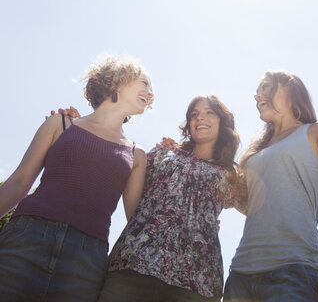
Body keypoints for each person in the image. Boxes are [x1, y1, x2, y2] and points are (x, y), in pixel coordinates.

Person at [0, 55, 153, 302]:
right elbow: (20, 181)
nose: (150, 92)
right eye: (144, 83)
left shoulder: (137, 154)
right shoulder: (60, 123)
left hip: (86, 259)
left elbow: (137, 220)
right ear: (117, 79)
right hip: (26, 238)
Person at [96, 95, 248, 302]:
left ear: (223, 122)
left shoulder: (230, 175)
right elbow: (118, 163)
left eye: (209, 113)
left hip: (196, 281)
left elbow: (258, 209)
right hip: (134, 265)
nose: (200, 118)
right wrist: (77, 125)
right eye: (194, 114)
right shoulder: (162, 154)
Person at [223, 71, 318, 302]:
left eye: (265, 87)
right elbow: (252, 205)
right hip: (241, 274)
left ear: (290, 90)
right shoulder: (254, 153)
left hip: (294, 270)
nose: (257, 95)